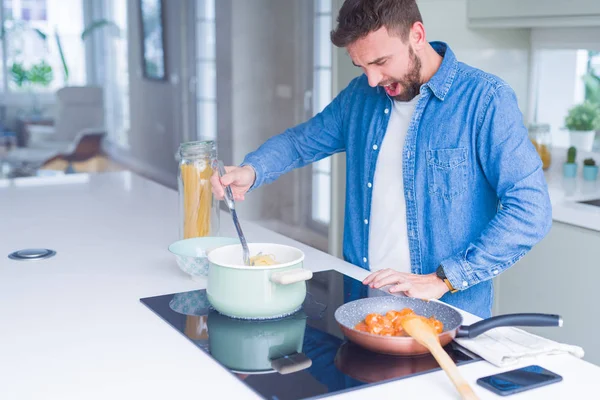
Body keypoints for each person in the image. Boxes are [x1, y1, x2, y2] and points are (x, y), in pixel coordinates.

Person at [211, 0, 552, 318]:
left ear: (416, 35)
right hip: (364, 306)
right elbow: (301, 142)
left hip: (447, 314)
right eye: (361, 65)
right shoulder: (361, 96)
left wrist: (443, 279)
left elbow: (531, 210)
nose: (372, 79)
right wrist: (252, 170)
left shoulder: (485, 101)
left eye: (380, 62)